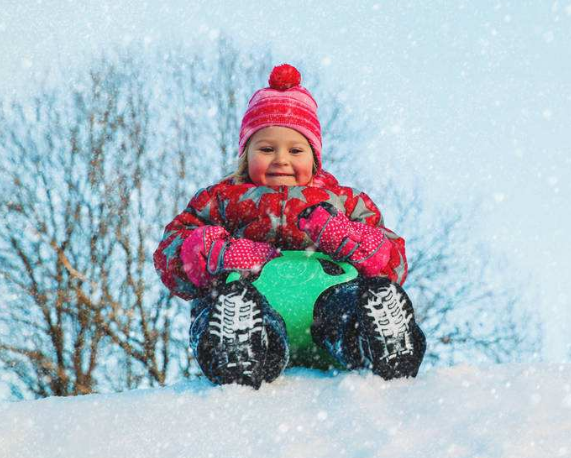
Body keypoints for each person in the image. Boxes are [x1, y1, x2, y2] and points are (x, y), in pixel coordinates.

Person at [153, 64, 426, 388]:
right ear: (246, 155)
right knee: (221, 304)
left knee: (354, 305)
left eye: (295, 150)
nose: (281, 159)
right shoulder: (220, 200)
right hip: (252, 296)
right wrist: (217, 251)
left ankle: (380, 342)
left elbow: (393, 259)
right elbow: (171, 253)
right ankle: (240, 350)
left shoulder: (343, 201)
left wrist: (356, 241)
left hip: (328, 296)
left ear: (313, 157)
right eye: (266, 149)